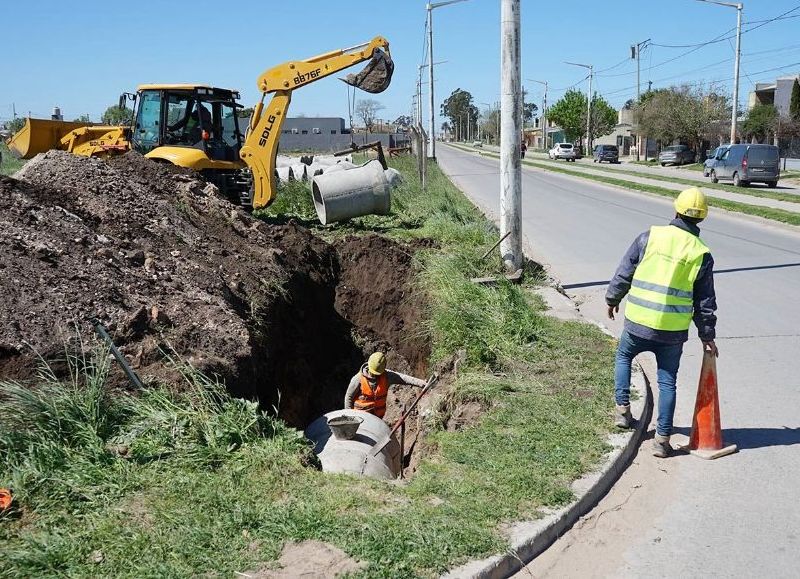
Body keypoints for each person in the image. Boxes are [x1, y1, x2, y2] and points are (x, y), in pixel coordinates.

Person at [606, 187, 718, 458]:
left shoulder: (650, 237)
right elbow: (705, 301)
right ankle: (662, 440)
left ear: (676, 209)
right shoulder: (701, 253)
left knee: (623, 357)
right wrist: (707, 335)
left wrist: (612, 298)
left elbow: (626, 271)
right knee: (667, 381)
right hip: (672, 332)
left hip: (638, 322)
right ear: (702, 218)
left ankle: (623, 412)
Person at [344, 352, 427, 419]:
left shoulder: (387, 376)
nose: (374, 375)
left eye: (377, 374)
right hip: (359, 418)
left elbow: (403, 378)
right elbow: (349, 397)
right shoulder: (358, 379)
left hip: (377, 418)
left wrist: (422, 383)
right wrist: (349, 418)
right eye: (373, 373)